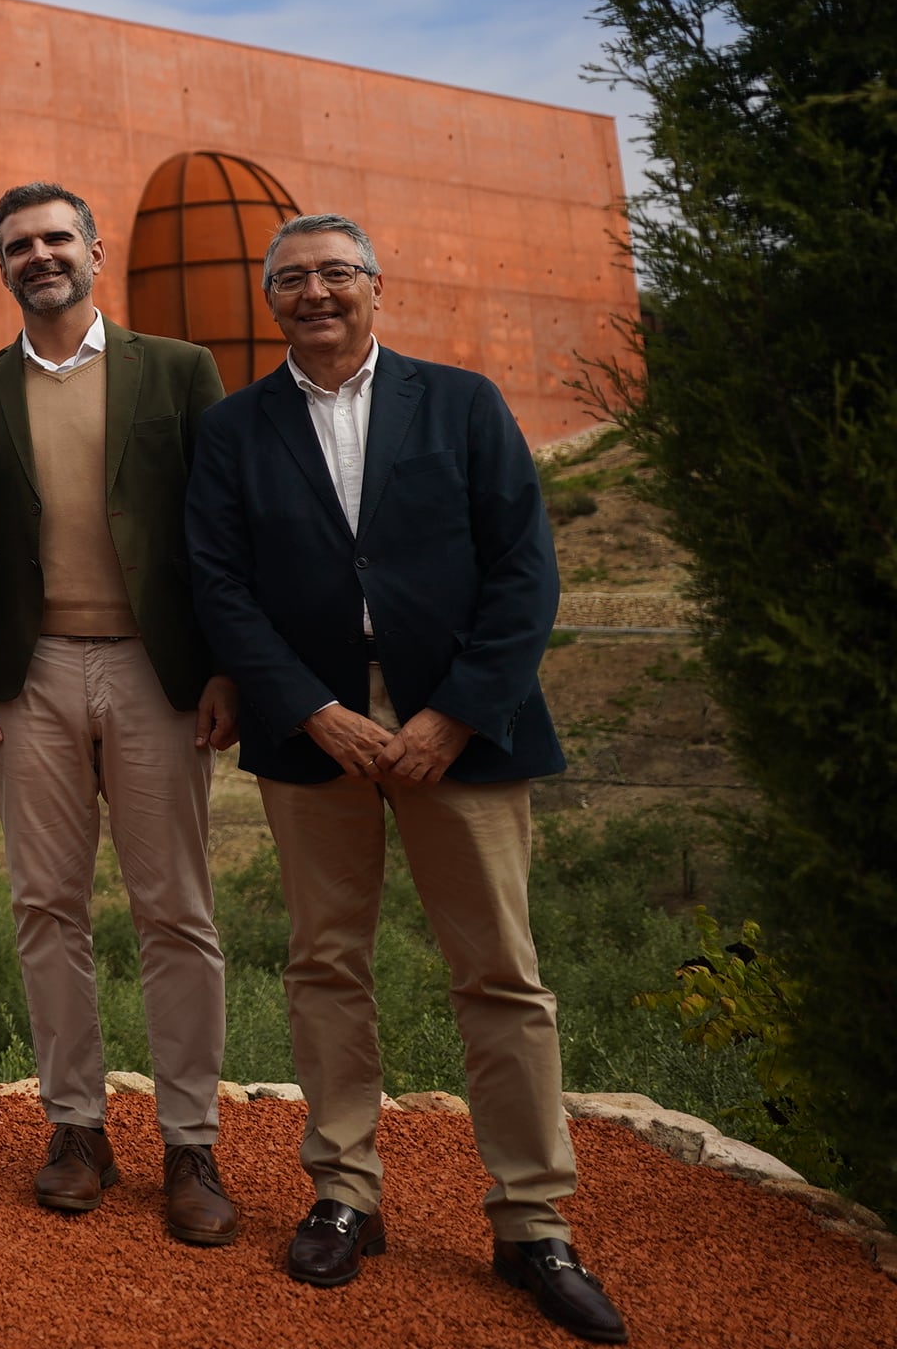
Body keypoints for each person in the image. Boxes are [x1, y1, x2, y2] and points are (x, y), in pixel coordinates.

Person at [184, 213, 626, 1344]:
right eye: (291, 279)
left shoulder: (462, 402)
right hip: (310, 732)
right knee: (324, 962)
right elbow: (219, 585)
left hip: (461, 731)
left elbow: (523, 569)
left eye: (336, 272)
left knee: (499, 974)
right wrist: (313, 708)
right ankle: (344, 1191)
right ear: (268, 298)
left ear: (376, 284)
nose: (315, 292)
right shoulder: (233, 429)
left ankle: (532, 1221)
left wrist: (452, 712)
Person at [0, 183, 241, 1244]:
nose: (38, 255)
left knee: (175, 910)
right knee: (44, 906)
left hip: (157, 673)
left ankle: (188, 1140)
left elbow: (219, 522)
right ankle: (73, 1126)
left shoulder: (175, 368)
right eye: (17, 244)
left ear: (93, 249)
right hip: (30, 678)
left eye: (55, 237)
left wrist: (223, 667)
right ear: (1, 265)